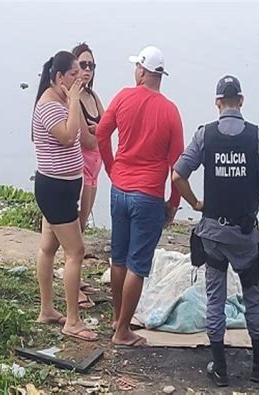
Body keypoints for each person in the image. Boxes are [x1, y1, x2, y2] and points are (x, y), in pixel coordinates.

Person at [172, 76, 259, 386]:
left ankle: (219, 368)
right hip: (244, 236)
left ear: (218, 103)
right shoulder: (256, 137)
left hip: (213, 233)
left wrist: (195, 203)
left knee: (215, 297)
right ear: (241, 101)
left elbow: (178, 175)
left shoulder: (206, 135)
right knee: (254, 296)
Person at [97, 46, 184, 347]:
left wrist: (111, 168)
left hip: (119, 189)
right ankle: (122, 330)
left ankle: (117, 318)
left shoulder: (122, 97)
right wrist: (173, 204)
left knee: (119, 258)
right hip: (147, 195)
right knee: (138, 264)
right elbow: (178, 166)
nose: (135, 71)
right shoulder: (170, 110)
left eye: (137, 67)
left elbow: (101, 134)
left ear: (143, 72)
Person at [32, 50, 98, 341]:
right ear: (59, 77)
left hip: (64, 186)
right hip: (55, 189)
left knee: (48, 247)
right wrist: (73, 100)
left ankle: (47, 309)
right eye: (73, 73)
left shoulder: (61, 100)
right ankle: (72, 319)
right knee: (76, 251)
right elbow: (68, 136)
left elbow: (84, 136)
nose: (79, 77)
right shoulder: (49, 104)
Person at [71, 42, 105, 309]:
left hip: (96, 165)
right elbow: (89, 138)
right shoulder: (73, 99)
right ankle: (71, 277)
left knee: (84, 223)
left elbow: (106, 129)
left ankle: (77, 275)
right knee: (77, 224)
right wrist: (98, 130)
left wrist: (99, 131)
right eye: (83, 65)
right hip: (81, 163)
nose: (87, 70)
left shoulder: (93, 97)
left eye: (91, 65)